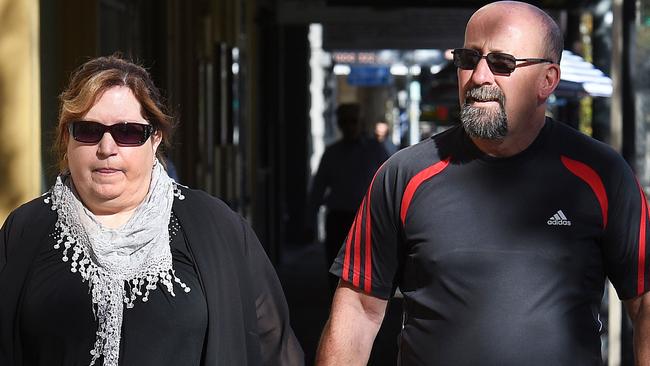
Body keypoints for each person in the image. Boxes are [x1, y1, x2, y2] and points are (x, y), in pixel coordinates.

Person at [316, 2, 650, 365]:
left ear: (547, 80)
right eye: (468, 58)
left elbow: (645, 301)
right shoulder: (404, 175)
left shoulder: (601, 174)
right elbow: (359, 311)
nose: (478, 77)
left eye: (502, 63)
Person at [0, 55, 303, 366]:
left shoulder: (217, 227)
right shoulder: (26, 230)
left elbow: (275, 349)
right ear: (67, 137)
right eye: (89, 130)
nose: (107, 148)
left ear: (155, 137)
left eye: (128, 133)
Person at [306, 103, 389, 292]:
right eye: (344, 122)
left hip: (365, 218)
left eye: (353, 121)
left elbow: (388, 183)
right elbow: (318, 189)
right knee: (336, 271)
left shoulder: (375, 150)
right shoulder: (332, 153)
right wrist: (310, 222)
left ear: (361, 123)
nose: (349, 126)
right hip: (338, 219)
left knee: (364, 271)